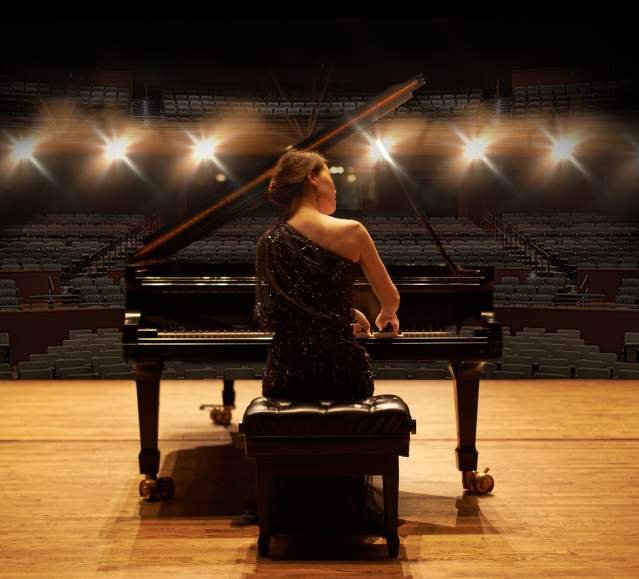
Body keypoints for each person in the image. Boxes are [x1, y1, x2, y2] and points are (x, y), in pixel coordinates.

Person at [232, 149, 400, 529]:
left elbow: (270, 316)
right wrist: (382, 314)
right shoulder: (352, 231)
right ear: (312, 177)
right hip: (343, 372)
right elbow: (389, 297)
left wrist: (337, 314)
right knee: (350, 374)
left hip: (288, 371)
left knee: (287, 377)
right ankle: (345, 507)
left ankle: (289, 507)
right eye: (330, 178)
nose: (335, 189)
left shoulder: (269, 242)